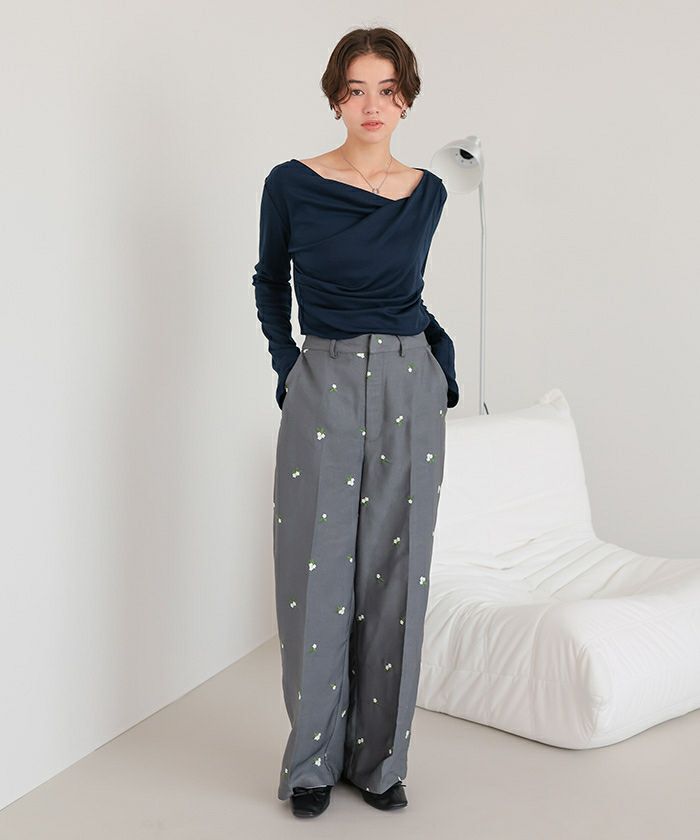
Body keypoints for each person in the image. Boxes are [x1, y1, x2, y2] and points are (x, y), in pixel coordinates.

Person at [251, 26, 459, 819]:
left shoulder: (428, 193)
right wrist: (289, 367)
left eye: (387, 89)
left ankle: (380, 763)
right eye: (357, 89)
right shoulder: (292, 183)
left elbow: (405, 294)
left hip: (409, 382)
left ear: (406, 98)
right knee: (317, 568)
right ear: (337, 96)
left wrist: (438, 367)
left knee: (397, 572)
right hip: (325, 379)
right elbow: (270, 281)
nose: (373, 105)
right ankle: (311, 764)